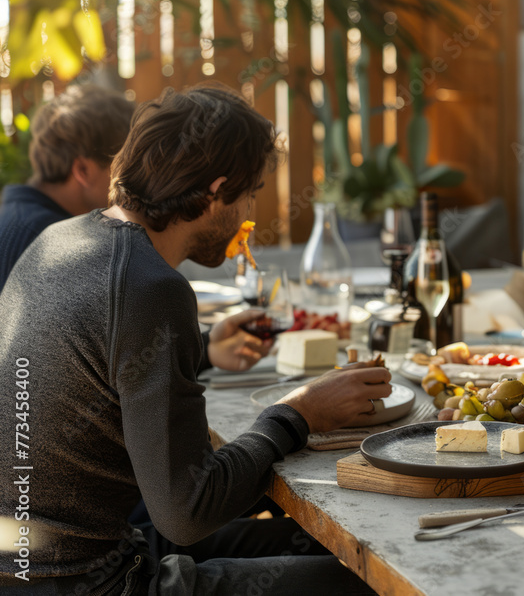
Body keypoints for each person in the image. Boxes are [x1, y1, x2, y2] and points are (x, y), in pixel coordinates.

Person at [0, 84, 390, 594]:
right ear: (215, 191)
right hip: (85, 582)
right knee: (367, 583)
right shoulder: (151, 287)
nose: (250, 212)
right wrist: (298, 414)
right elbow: (187, 511)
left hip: (34, 567)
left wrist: (200, 347)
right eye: (250, 194)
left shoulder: (62, 239)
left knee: (321, 546)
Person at [0, 83, 135, 289]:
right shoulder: (45, 243)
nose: (135, 180)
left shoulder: (22, 220)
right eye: (126, 168)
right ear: (83, 170)